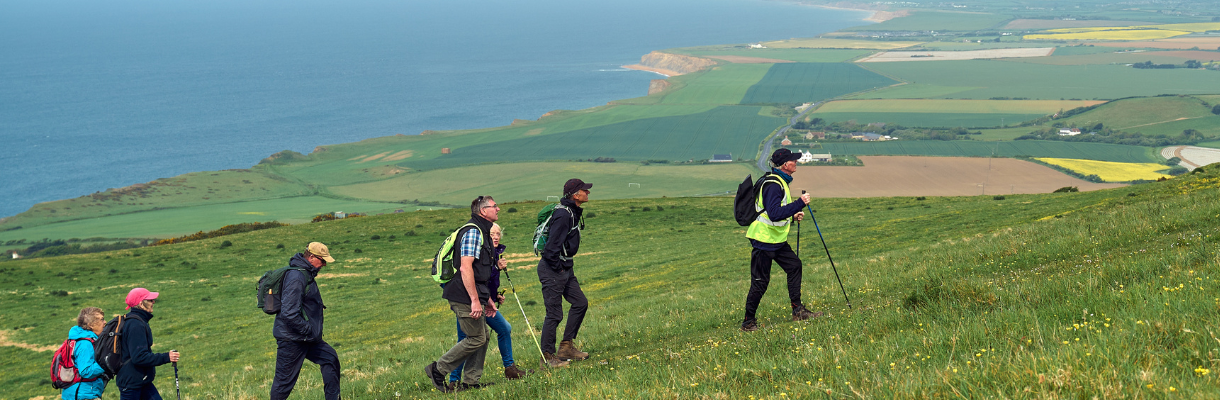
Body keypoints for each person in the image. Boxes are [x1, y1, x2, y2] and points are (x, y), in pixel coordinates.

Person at [424, 196, 502, 393]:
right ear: (483, 211)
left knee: (482, 336)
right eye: (494, 206)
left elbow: (480, 273)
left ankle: (470, 381)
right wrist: (475, 300)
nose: (498, 209)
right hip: (463, 295)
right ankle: (438, 369)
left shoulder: (481, 231)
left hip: (474, 292)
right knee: (476, 337)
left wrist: (488, 300)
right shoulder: (473, 233)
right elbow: (466, 268)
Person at [741, 148, 823, 332]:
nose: (796, 162)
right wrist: (800, 202)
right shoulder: (773, 184)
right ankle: (747, 323)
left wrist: (792, 216)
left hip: (775, 240)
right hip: (763, 240)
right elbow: (774, 213)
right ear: (785, 164)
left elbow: (775, 213)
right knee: (760, 282)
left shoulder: (779, 181)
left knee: (794, 266)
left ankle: (798, 311)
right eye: (794, 160)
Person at [448, 223, 534, 388]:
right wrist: (496, 268)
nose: (496, 237)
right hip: (469, 301)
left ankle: (509, 369)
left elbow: (487, 282)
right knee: (467, 339)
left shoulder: (494, 253)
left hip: (483, 302)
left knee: (501, 329)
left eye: (498, 234)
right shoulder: (481, 252)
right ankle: (454, 381)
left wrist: (495, 296)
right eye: (492, 234)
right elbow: (478, 276)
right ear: (485, 236)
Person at [271, 242, 341, 400]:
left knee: (330, 358)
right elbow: (289, 313)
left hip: (306, 338)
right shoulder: (297, 277)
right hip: (292, 339)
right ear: (311, 257)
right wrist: (308, 329)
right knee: (283, 385)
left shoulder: (305, 273)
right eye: (322, 261)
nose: (324, 265)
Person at [537, 179, 592, 367]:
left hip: (565, 267)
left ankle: (566, 347)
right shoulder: (563, 214)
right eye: (585, 190)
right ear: (576, 195)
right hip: (553, 269)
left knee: (580, 303)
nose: (588, 193)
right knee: (554, 314)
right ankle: (548, 357)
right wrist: (559, 268)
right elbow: (551, 248)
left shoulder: (572, 212)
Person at [116, 288, 180, 400]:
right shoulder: (136, 325)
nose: (153, 302)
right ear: (141, 304)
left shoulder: (136, 321)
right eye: (150, 300)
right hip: (131, 384)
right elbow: (139, 357)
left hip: (141, 380)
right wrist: (166, 357)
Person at [61, 307, 106, 400]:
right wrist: (106, 363)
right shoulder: (85, 344)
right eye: (101, 319)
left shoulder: (82, 339)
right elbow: (86, 371)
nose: (105, 322)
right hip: (84, 394)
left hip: (78, 393)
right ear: (91, 325)